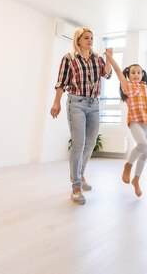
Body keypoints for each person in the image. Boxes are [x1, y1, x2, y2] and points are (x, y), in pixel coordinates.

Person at [50, 27, 111, 204]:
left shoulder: (97, 59)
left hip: (94, 104)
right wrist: (56, 102)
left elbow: (107, 74)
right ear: (78, 40)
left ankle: (81, 174)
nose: (90, 40)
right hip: (76, 103)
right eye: (86, 38)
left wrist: (108, 58)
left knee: (90, 143)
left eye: (92, 38)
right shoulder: (69, 58)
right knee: (79, 144)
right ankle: (76, 186)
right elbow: (61, 82)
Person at [105, 49, 147, 197]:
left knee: (145, 154)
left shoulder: (146, 87)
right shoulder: (127, 85)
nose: (136, 74)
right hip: (135, 121)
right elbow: (117, 70)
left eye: (139, 72)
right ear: (128, 75)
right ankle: (128, 165)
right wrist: (109, 57)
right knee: (142, 145)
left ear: (142, 75)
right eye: (133, 72)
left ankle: (136, 180)